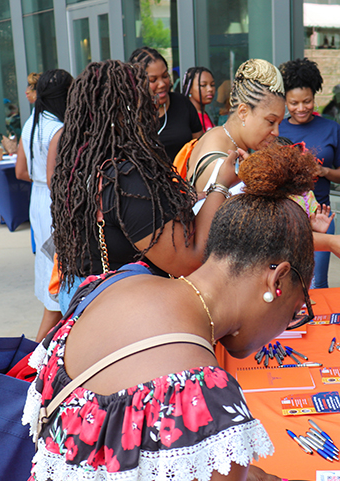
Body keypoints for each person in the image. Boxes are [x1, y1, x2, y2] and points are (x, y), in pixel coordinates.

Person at [0, 142, 340, 481]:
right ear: (279, 279)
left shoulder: (114, 286)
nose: (287, 324)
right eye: (296, 310)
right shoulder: (204, 397)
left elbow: (114, 443)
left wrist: (215, 472)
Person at [51, 60, 237, 314]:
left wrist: (178, 203)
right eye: (147, 101)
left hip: (86, 301)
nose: (156, 108)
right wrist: (221, 186)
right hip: (118, 314)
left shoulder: (82, 164)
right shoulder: (126, 179)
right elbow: (188, 259)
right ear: (126, 112)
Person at [186, 59, 340, 265]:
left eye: (279, 123)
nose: (276, 132)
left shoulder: (218, 140)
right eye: (270, 121)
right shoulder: (223, 164)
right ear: (244, 112)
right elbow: (255, 236)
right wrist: (330, 242)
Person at [279, 57, 340, 289]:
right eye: (293, 103)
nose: (301, 108)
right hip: (282, 219)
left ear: (315, 97)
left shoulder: (330, 128)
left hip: (319, 217)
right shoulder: (275, 129)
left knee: (317, 282)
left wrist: (323, 171)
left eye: (307, 101)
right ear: (285, 101)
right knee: (285, 282)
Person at [16, 69, 72, 341]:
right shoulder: (58, 130)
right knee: (58, 273)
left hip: (36, 198)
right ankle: (38, 351)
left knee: (47, 263)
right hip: (53, 202)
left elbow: (20, 171)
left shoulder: (31, 123)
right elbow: (55, 180)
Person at [129, 47, 202, 161]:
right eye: (153, 80)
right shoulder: (129, 113)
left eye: (165, 76)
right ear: (137, 81)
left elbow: (200, 146)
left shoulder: (182, 103)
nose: (162, 84)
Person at [181, 66, 216, 132]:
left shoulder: (205, 114)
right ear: (189, 88)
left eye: (212, 85)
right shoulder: (187, 118)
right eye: (203, 85)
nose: (210, 89)